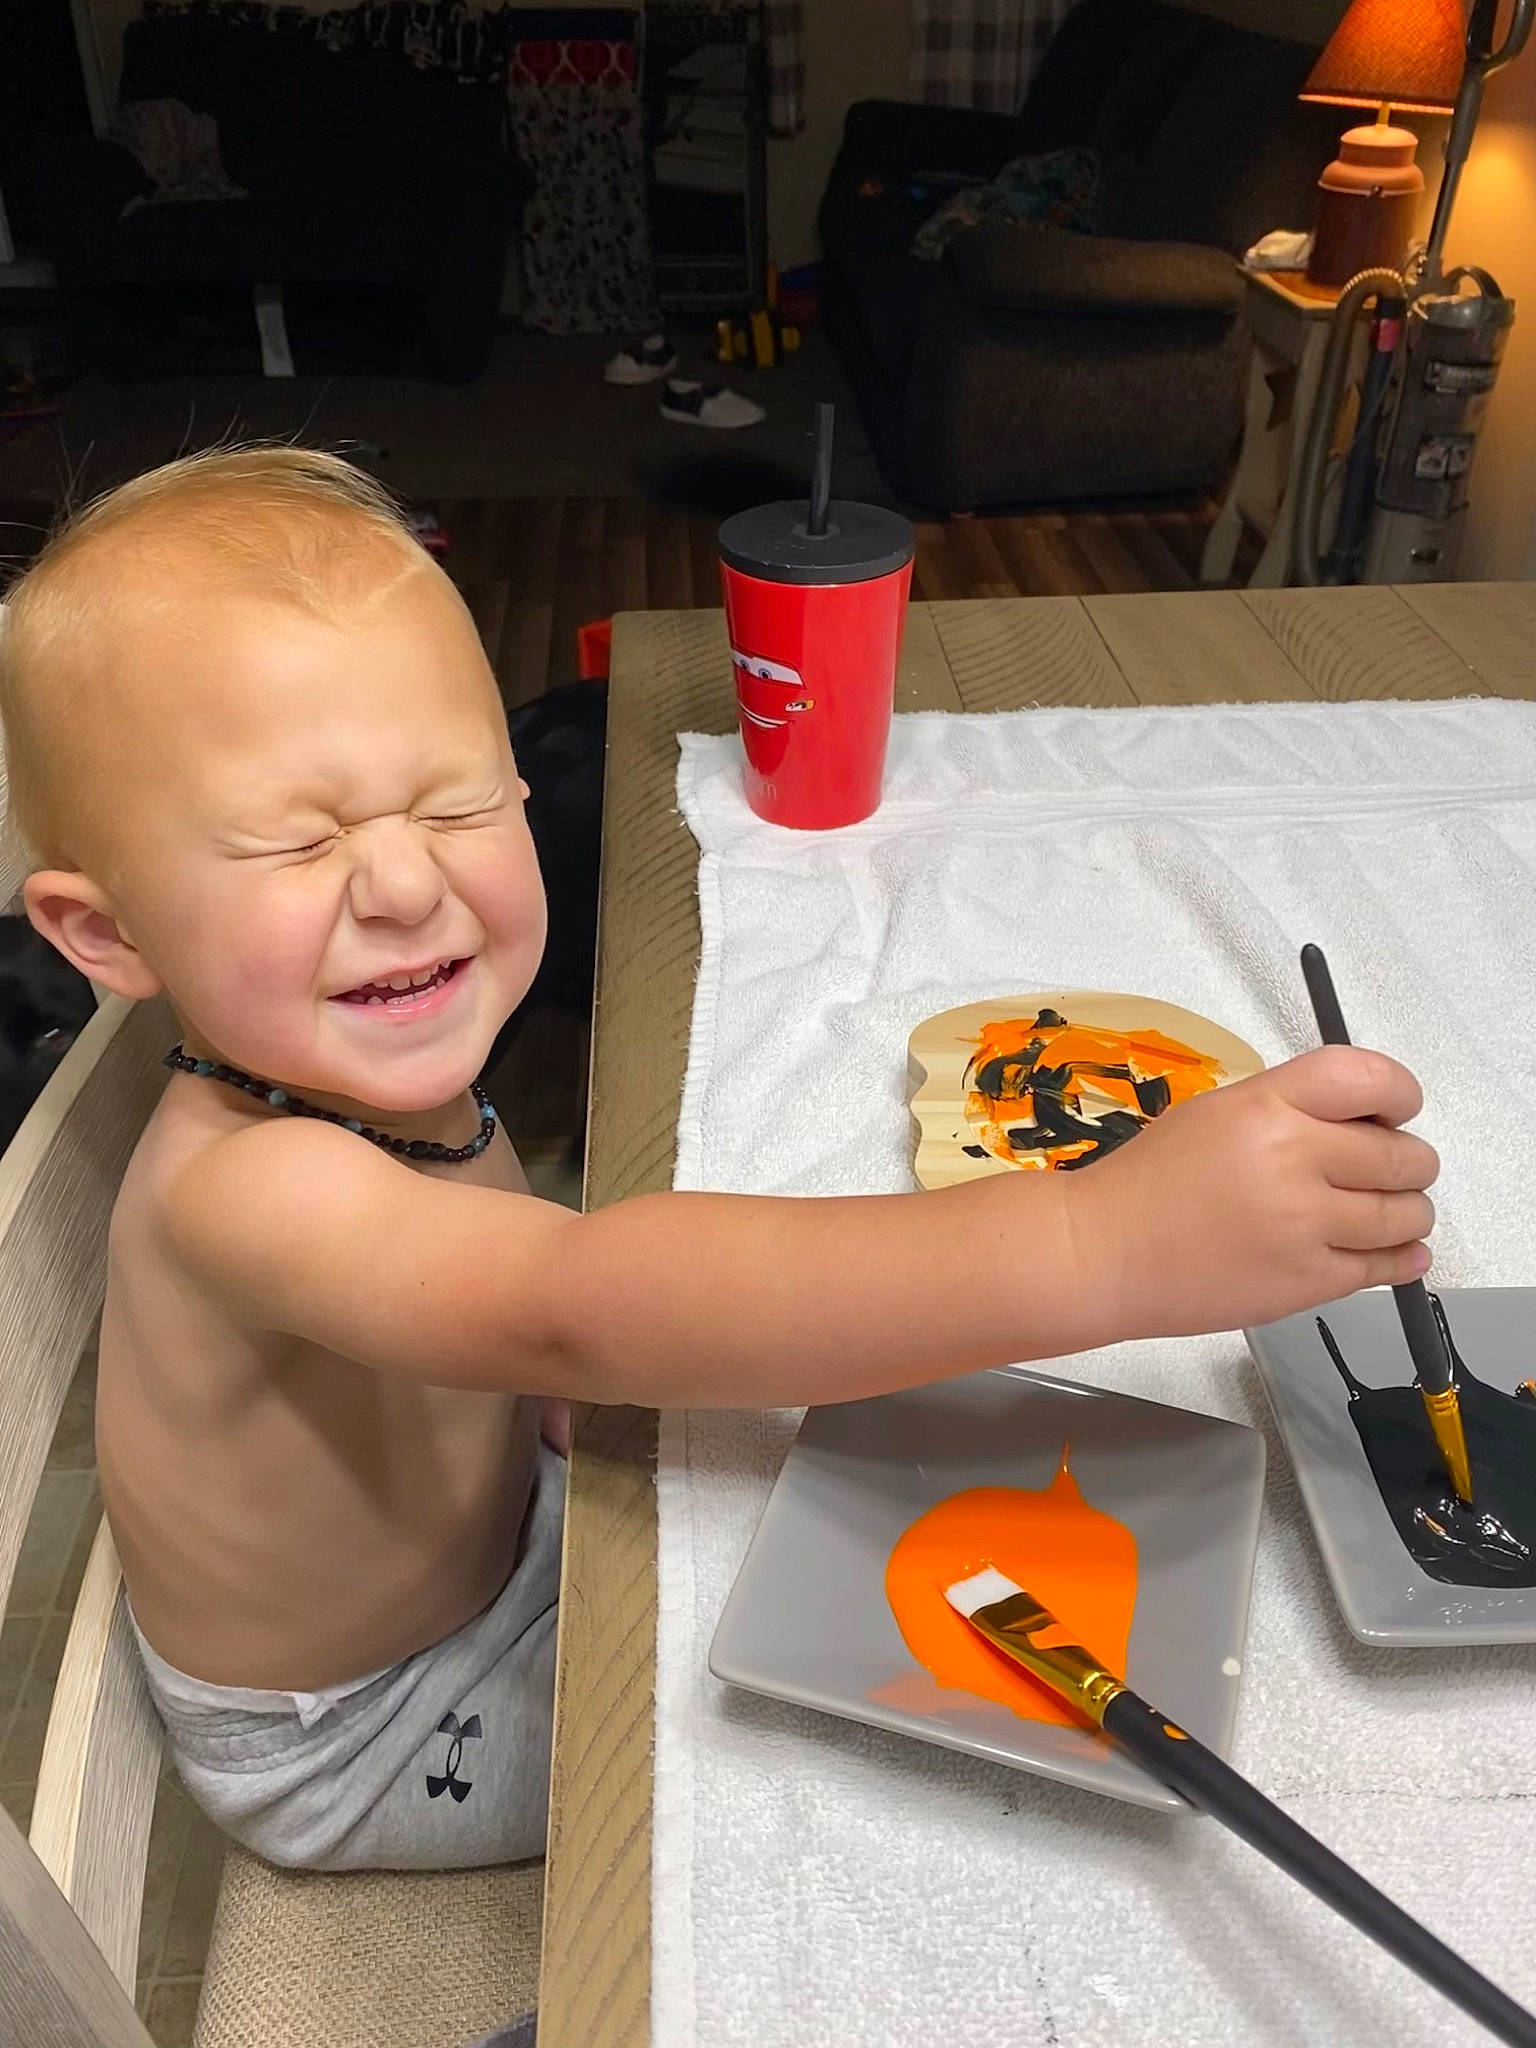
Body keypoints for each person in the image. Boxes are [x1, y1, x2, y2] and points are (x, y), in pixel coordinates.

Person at [0, 447, 1439, 1877]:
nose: (403, 884)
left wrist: (547, 1394)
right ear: (111, 937)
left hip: (500, 1532)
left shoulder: (332, 1046)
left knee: (865, 1525)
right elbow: (572, 1298)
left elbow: (511, 1312)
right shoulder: (246, 1187)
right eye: (292, 844)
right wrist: (1103, 1244)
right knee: (819, 1796)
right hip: (372, 1730)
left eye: (455, 803)